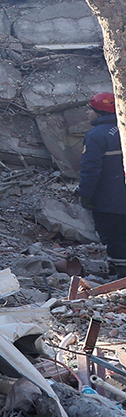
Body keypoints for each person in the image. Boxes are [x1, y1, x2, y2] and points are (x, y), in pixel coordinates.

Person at [79, 93, 126, 279]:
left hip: (109, 200)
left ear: (99, 112)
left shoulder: (96, 135)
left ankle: (120, 276)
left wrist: (85, 194)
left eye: (89, 109)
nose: (86, 112)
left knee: (114, 236)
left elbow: (90, 170)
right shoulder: (121, 129)